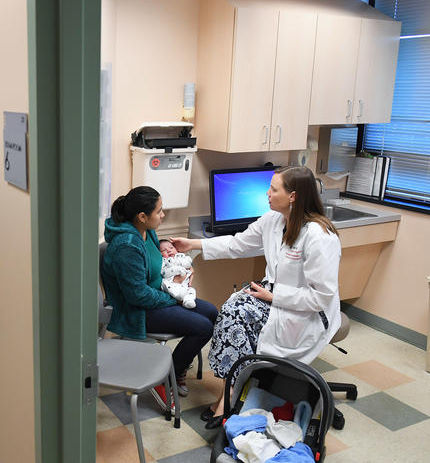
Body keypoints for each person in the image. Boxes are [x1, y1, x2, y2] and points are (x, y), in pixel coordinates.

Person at [170, 166, 341, 429]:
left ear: (293, 196)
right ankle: (230, 391)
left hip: (306, 312)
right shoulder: (273, 220)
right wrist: (192, 244)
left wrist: (274, 296)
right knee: (231, 308)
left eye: (274, 189)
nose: (268, 194)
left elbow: (321, 297)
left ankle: (229, 396)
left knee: (238, 313)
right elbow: (237, 244)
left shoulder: (319, 237)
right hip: (275, 297)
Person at [101, 186, 218, 409]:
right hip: (136, 310)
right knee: (203, 328)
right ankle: (165, 379)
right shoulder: (127, 245)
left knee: (211, 312)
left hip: (158, 295)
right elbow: (138, 296)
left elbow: (159, 261)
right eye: (159, 211)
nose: (163, 215)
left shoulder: (147, 231)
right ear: (142, 217)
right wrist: (175, 298)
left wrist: (182, 270)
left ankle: (177, 368)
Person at [159, 239, 197, 309]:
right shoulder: (164, 262)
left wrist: (180, 263)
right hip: (171, 284)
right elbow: (165, 273)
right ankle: (181, 298)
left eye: (171, 248)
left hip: (184, 285)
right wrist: (177, 270)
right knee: (174, 290)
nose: (169, 250)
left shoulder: (182, 257)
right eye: (163, 250)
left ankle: (188, 301)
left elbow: (189, 264)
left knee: (191, 290)